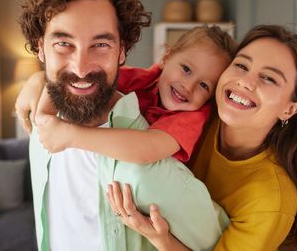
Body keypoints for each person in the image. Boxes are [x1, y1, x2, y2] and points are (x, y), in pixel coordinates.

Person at [18, 0, 227, 251]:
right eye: (63, 43)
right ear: (40, 47)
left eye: (101, 45)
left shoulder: (152, 173)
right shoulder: (38, 129)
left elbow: (220, 240)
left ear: (123, 51)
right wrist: (36, 82)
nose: (80, 68)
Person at [108, 25, 297, 250]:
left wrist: (161, 239)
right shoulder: (196, 105)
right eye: (241, 65)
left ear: (290, 109)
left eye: (269, 78)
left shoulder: (271, 199)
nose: (245, 81)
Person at [19, 25, 234, 164]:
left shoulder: (194, 116)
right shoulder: (144, 78)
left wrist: (71, 136)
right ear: (166, 58)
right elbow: (86, 80)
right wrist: (38, 80)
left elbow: (147, 149)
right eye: (186, 69)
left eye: (205, 85)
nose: (189, 86)